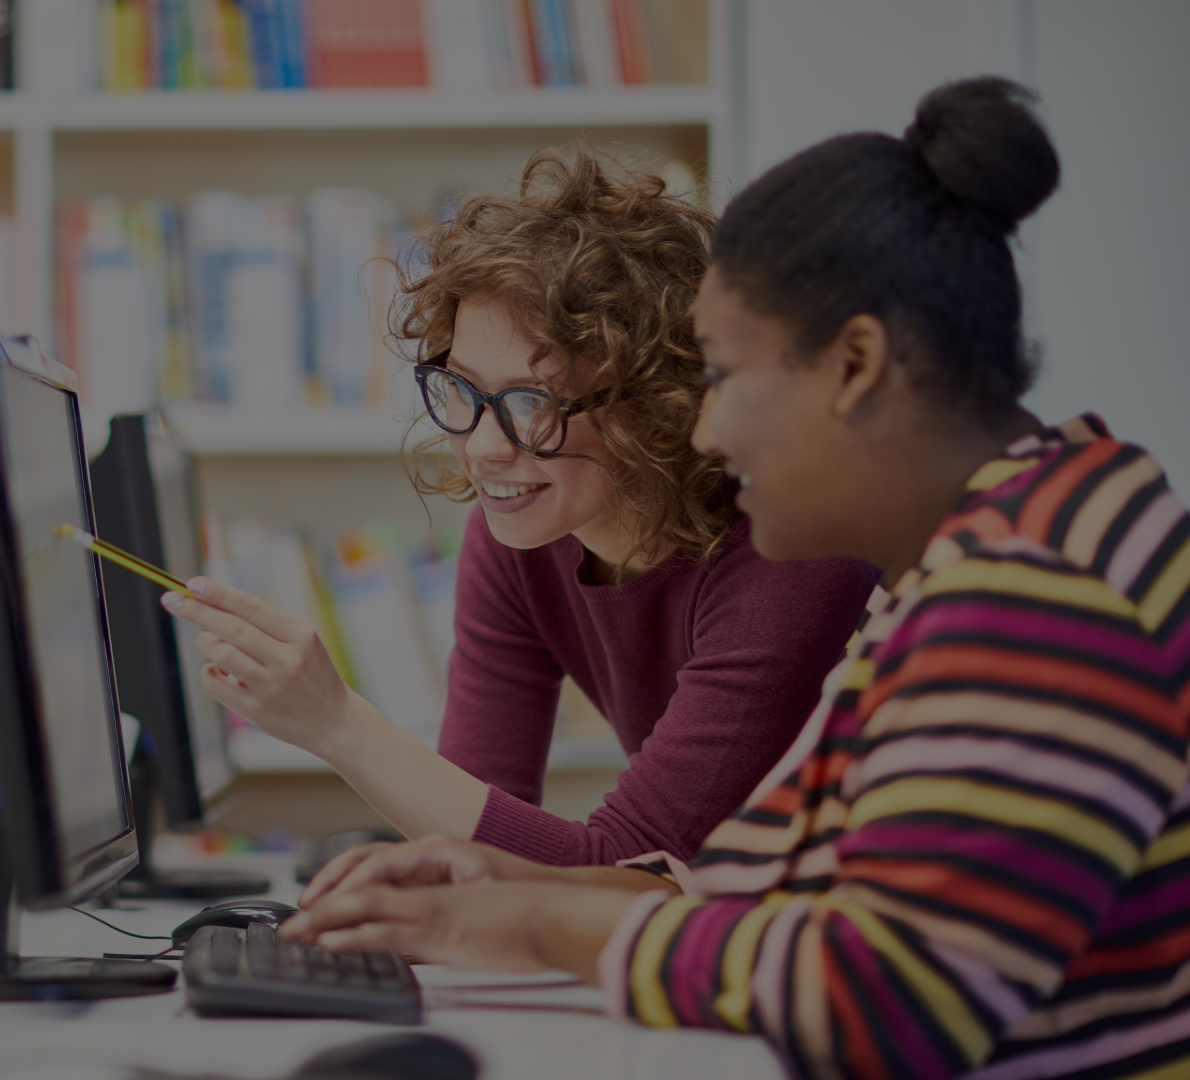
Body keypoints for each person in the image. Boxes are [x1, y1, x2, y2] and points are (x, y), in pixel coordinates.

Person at [281, 77, 1190, 1080]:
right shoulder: (998, 544)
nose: (703, 427)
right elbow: (792, 892)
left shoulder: (1033, 591)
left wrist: (538, 923)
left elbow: (885, 995)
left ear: (854, 366)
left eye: (724, 375)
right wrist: (509, 888)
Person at [164, 148, 879, 866]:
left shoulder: (791, 553)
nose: (481, 447)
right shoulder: (517, 539)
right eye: (464, 390)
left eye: (531, 403)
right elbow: (478, 829)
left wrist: (340, 724)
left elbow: (630, 867)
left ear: (658, 405)